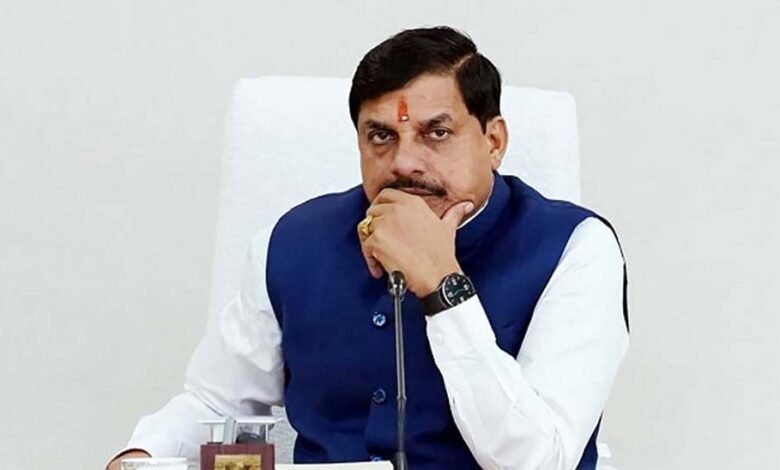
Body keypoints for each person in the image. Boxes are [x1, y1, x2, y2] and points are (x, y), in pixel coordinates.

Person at [107, 26, 629, 470]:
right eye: (381, 137)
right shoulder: (291, 243)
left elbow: (538, 461)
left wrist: (442, 287)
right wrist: (143, 454)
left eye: (436, 133)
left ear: (493, 142)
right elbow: (217, 403)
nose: (404, 163)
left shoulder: (575, 249)